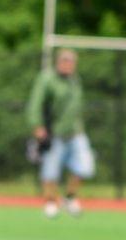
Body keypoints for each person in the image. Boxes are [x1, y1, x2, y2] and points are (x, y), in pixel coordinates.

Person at [26, 47, 94, 218]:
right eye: (65, 61)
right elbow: (35, 103)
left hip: (76, 132)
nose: (69, 65)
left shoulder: (75, 80)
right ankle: (50, 202)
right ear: (58, 62)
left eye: (72, 62)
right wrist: (37, 126)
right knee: (50, 170)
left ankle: (70, 198)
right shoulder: (47, 79)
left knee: (84, 167)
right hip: (54, 133)